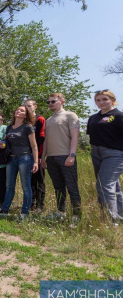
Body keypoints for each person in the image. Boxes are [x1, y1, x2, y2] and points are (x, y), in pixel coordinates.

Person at [41, 92, 82, 224]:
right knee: (58, 187)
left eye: (53, 101)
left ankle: (77, 215)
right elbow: (46, 140)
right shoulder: (48, 120)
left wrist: (72, 155)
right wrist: (43, 157)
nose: (50, 104)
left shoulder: (70, 115)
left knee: (71, 186)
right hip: (51, 158)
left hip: (66, 156)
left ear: (62, 101)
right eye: (49, 102)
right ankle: (60, 212)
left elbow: (75, 137)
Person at [0, 106, 38, 219]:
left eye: (22, 110)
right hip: (11, 159)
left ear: (26, 115)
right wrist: (2, 144)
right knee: (9, 185)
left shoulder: (28, 127)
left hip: (25, 158)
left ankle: (25, 212)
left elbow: (34, 145)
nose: (18, 111)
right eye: (17, 109)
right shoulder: (9, 127)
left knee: (26, 186)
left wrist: (36, 161)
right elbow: (7, 143)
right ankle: (5, 209)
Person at [87, 89, 123, 226]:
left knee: (104, 185)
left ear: (112, 100)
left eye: (104, 99)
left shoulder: (118, 116)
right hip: (96, 153)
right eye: (98, 100)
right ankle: (119, 215)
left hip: (114, 154)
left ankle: (110, 220)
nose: (101, 102)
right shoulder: (93, 118)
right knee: (115, 187)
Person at [24, 99, 46, 212]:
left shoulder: (40, 119)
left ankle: (40, 205)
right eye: (25, 106)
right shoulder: (25, 121)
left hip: (38, 155)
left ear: (35, 107)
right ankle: (31, 204)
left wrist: (40, 156)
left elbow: (42, 138)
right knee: (30, 180)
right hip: (26, 155)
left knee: (40, 180)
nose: (27, 108)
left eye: (29, 106)